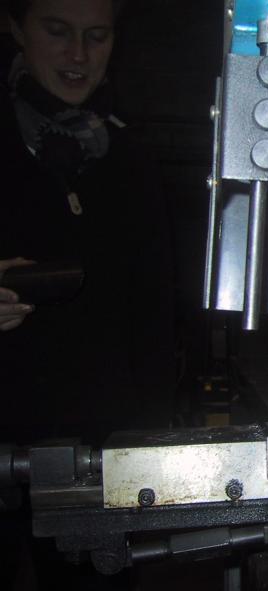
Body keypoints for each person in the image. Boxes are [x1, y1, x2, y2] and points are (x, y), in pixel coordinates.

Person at [0, 0, 175, 446]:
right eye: (57, 31)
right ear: (16, 28)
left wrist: (155, 446)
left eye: (97, 37)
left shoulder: (133, 161)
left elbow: (158, 322)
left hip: (109, 455)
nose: (78, 54)